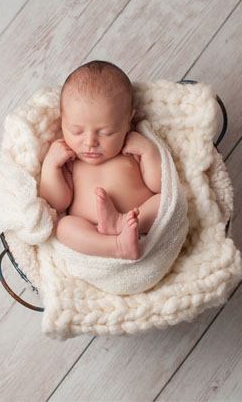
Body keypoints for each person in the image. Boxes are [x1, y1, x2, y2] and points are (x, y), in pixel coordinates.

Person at [38, 60, 161, 261]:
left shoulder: (132, 148)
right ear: (62, 120)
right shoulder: (71, 159)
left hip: (141, 226)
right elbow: (56, 203)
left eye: (106, 132)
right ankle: (116, 246)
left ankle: (121, 226)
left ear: (128, 121)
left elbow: (161, 186)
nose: (90, 142)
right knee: (65, 227)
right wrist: (51, 166)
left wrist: (149, 153)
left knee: (166, 201)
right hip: (93, 236)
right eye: (76, 131)